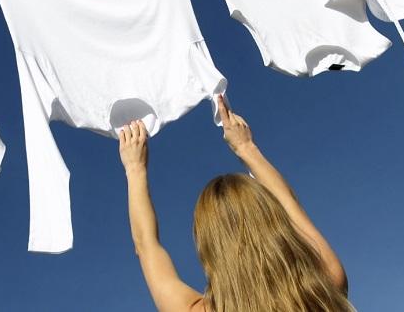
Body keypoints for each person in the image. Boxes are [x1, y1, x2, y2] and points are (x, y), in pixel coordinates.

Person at [118, 94, 352, 312]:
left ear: (209, 245)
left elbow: (146, 246)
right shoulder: (325, 283)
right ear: (273, 217)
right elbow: (289, 204)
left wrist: (135, 169)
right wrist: (247, 148)